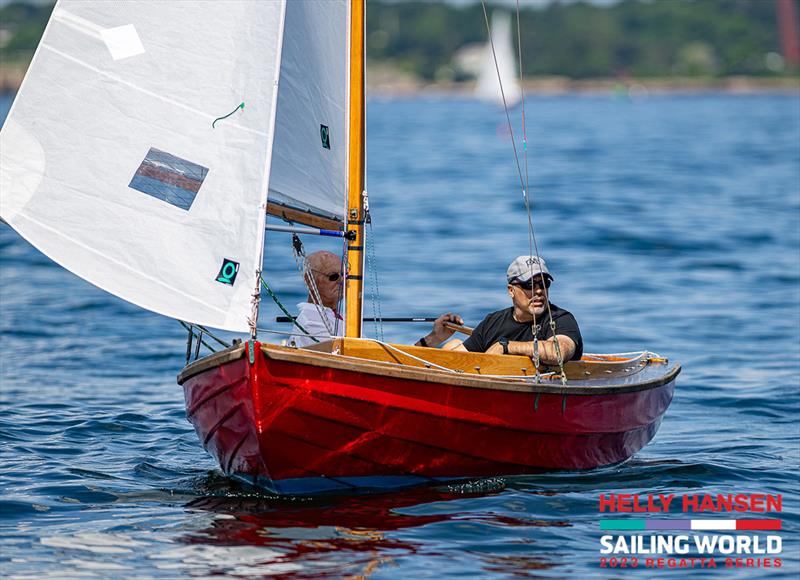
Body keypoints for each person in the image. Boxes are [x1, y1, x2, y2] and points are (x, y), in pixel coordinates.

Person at [415, 256, 583, 364]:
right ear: (511, 290)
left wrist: (506, 347)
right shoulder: (493, 322)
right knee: (452, 345)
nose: (539, 291)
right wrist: (433, 339)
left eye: (544, 283)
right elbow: (448, 364)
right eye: (530, 285)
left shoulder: (561, 319)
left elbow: (559, 352)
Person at [290, 250, 345, 348]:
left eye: (344, 275)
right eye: (333, 276)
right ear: (310, 281)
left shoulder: (340, 316)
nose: (341, 281)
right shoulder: (311, 321)